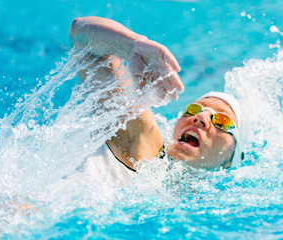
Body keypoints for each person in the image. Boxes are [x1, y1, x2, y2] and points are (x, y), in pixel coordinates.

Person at [69, 17, 244, 184]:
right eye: (193, 109)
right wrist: (131, 45)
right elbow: (79, 34)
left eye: (222, 120)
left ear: (231, 158)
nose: (200, 118)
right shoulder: (145, 142)